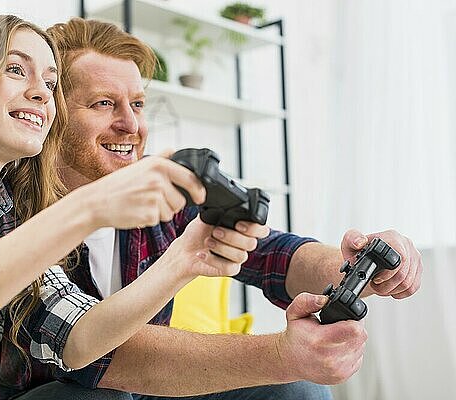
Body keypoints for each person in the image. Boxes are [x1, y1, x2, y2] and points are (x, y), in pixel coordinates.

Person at [0, 15, 263, 400]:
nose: (40, 93)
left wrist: (182, 261)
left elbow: (78, 340)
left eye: (50, 84)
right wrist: (90, 206)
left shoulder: (4, 215)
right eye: (17, 70)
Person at [30, 18, 422, 400]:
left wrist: (358, 266)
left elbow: (274, 256)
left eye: (137, 104)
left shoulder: (162, 191)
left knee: (299, 390)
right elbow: (98, 357)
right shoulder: (16, 205)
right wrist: (283, 355)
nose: (131, 124)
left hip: (142, 388)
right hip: (66, 388)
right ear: (53, 113)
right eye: (104, 104)